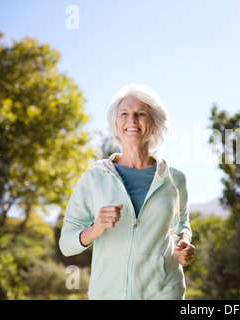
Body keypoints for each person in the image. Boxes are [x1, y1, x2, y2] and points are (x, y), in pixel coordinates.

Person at [59, 83, 196, 300]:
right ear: (116, 123)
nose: (132, 119)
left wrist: (184, 245)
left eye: (141, 114)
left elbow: (182, 224)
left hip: (164, 293)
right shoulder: (95, 177)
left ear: (154, 124)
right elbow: (66, 244)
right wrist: (96, 229)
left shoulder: (175, 178)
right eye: (124, 114)